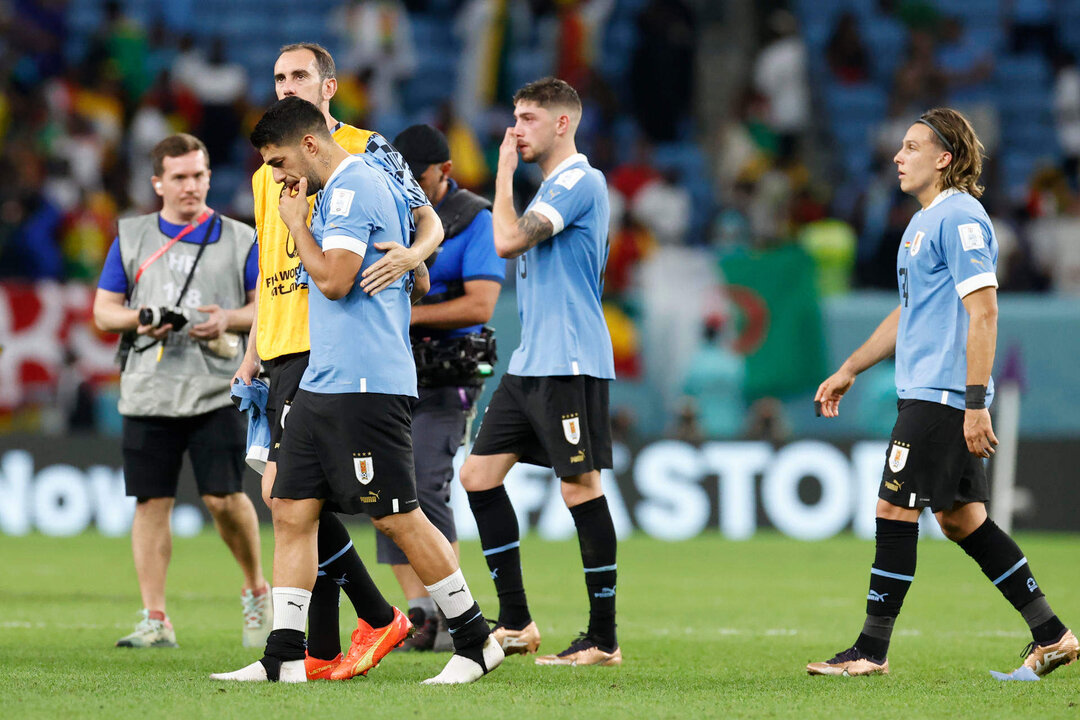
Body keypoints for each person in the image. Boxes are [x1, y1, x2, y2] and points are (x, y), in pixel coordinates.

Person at [212, 96, 503, 685]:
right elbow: (417, 260)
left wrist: (297, 228)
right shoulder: (356, 186)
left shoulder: (348, 188)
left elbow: (337, 280)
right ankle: (285, 656)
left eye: (279, 162)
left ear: (310, 146)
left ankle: (475, 640)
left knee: (397, 517)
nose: (277, 176)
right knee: (292, 511)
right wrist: (416, 264)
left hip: (365, 381)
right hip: (326, 376)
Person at [808, 108, 1077, 678]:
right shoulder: (923, 222)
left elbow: (984, 313)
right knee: (962, 521)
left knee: (892, 508)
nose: (898, 157)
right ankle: (1053, 634)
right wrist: (850, 366)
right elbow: (909, 313)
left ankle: (870, 650)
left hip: (944, 395)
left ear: (944, 158)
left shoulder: (961, 218)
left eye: (911, 147)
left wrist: (975, 402)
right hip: (930, 391)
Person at [232, 42, 443, 681]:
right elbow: (273, 262)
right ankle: (318, 650)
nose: (286, 85)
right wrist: (254, 349)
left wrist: (414, 256)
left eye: (299, 75)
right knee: (295, 502)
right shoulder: (270, 162)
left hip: (333, 345)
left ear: (328, 87)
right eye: (277, 76)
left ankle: (358, 627)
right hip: (282, 342)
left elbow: (426, 222)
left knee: (289, 498)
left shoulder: (365, 148)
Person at [458, 77, 621, 667]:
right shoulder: (553, 186)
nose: (515, 129)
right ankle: (519, 620)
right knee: (477, 475)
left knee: (579, 486)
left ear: (562, 123)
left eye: (527, 118)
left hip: (570, 360)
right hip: (532, 364)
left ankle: (603, 637)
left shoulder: (580, 180)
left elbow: (505, 242)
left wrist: (500, 173)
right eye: (514, 117)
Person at [92, 133, 270, 649]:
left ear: (210, 177)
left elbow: (267, 307)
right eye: (179, 177)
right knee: (150, 503)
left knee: (223, 498)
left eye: (199, 175)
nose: (191, 186)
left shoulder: (240, 237)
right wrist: (142, 318)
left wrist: (229, 321)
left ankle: (256, 588)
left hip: (217, 387)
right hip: (148, 389)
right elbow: (104, 312)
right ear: (158, 183)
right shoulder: (131, 237)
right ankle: (155, 617)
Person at [384, 124, 504, 651]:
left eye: (419, 177)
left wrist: (407, 314)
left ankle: (453, 613)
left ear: (446, 173)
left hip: (447, 373)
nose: (408, 185)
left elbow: (480, 305)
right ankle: (420, 613)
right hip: (392, 371)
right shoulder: (390, 210)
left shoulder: (473, 219)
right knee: (385, 487)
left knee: (427, 482)